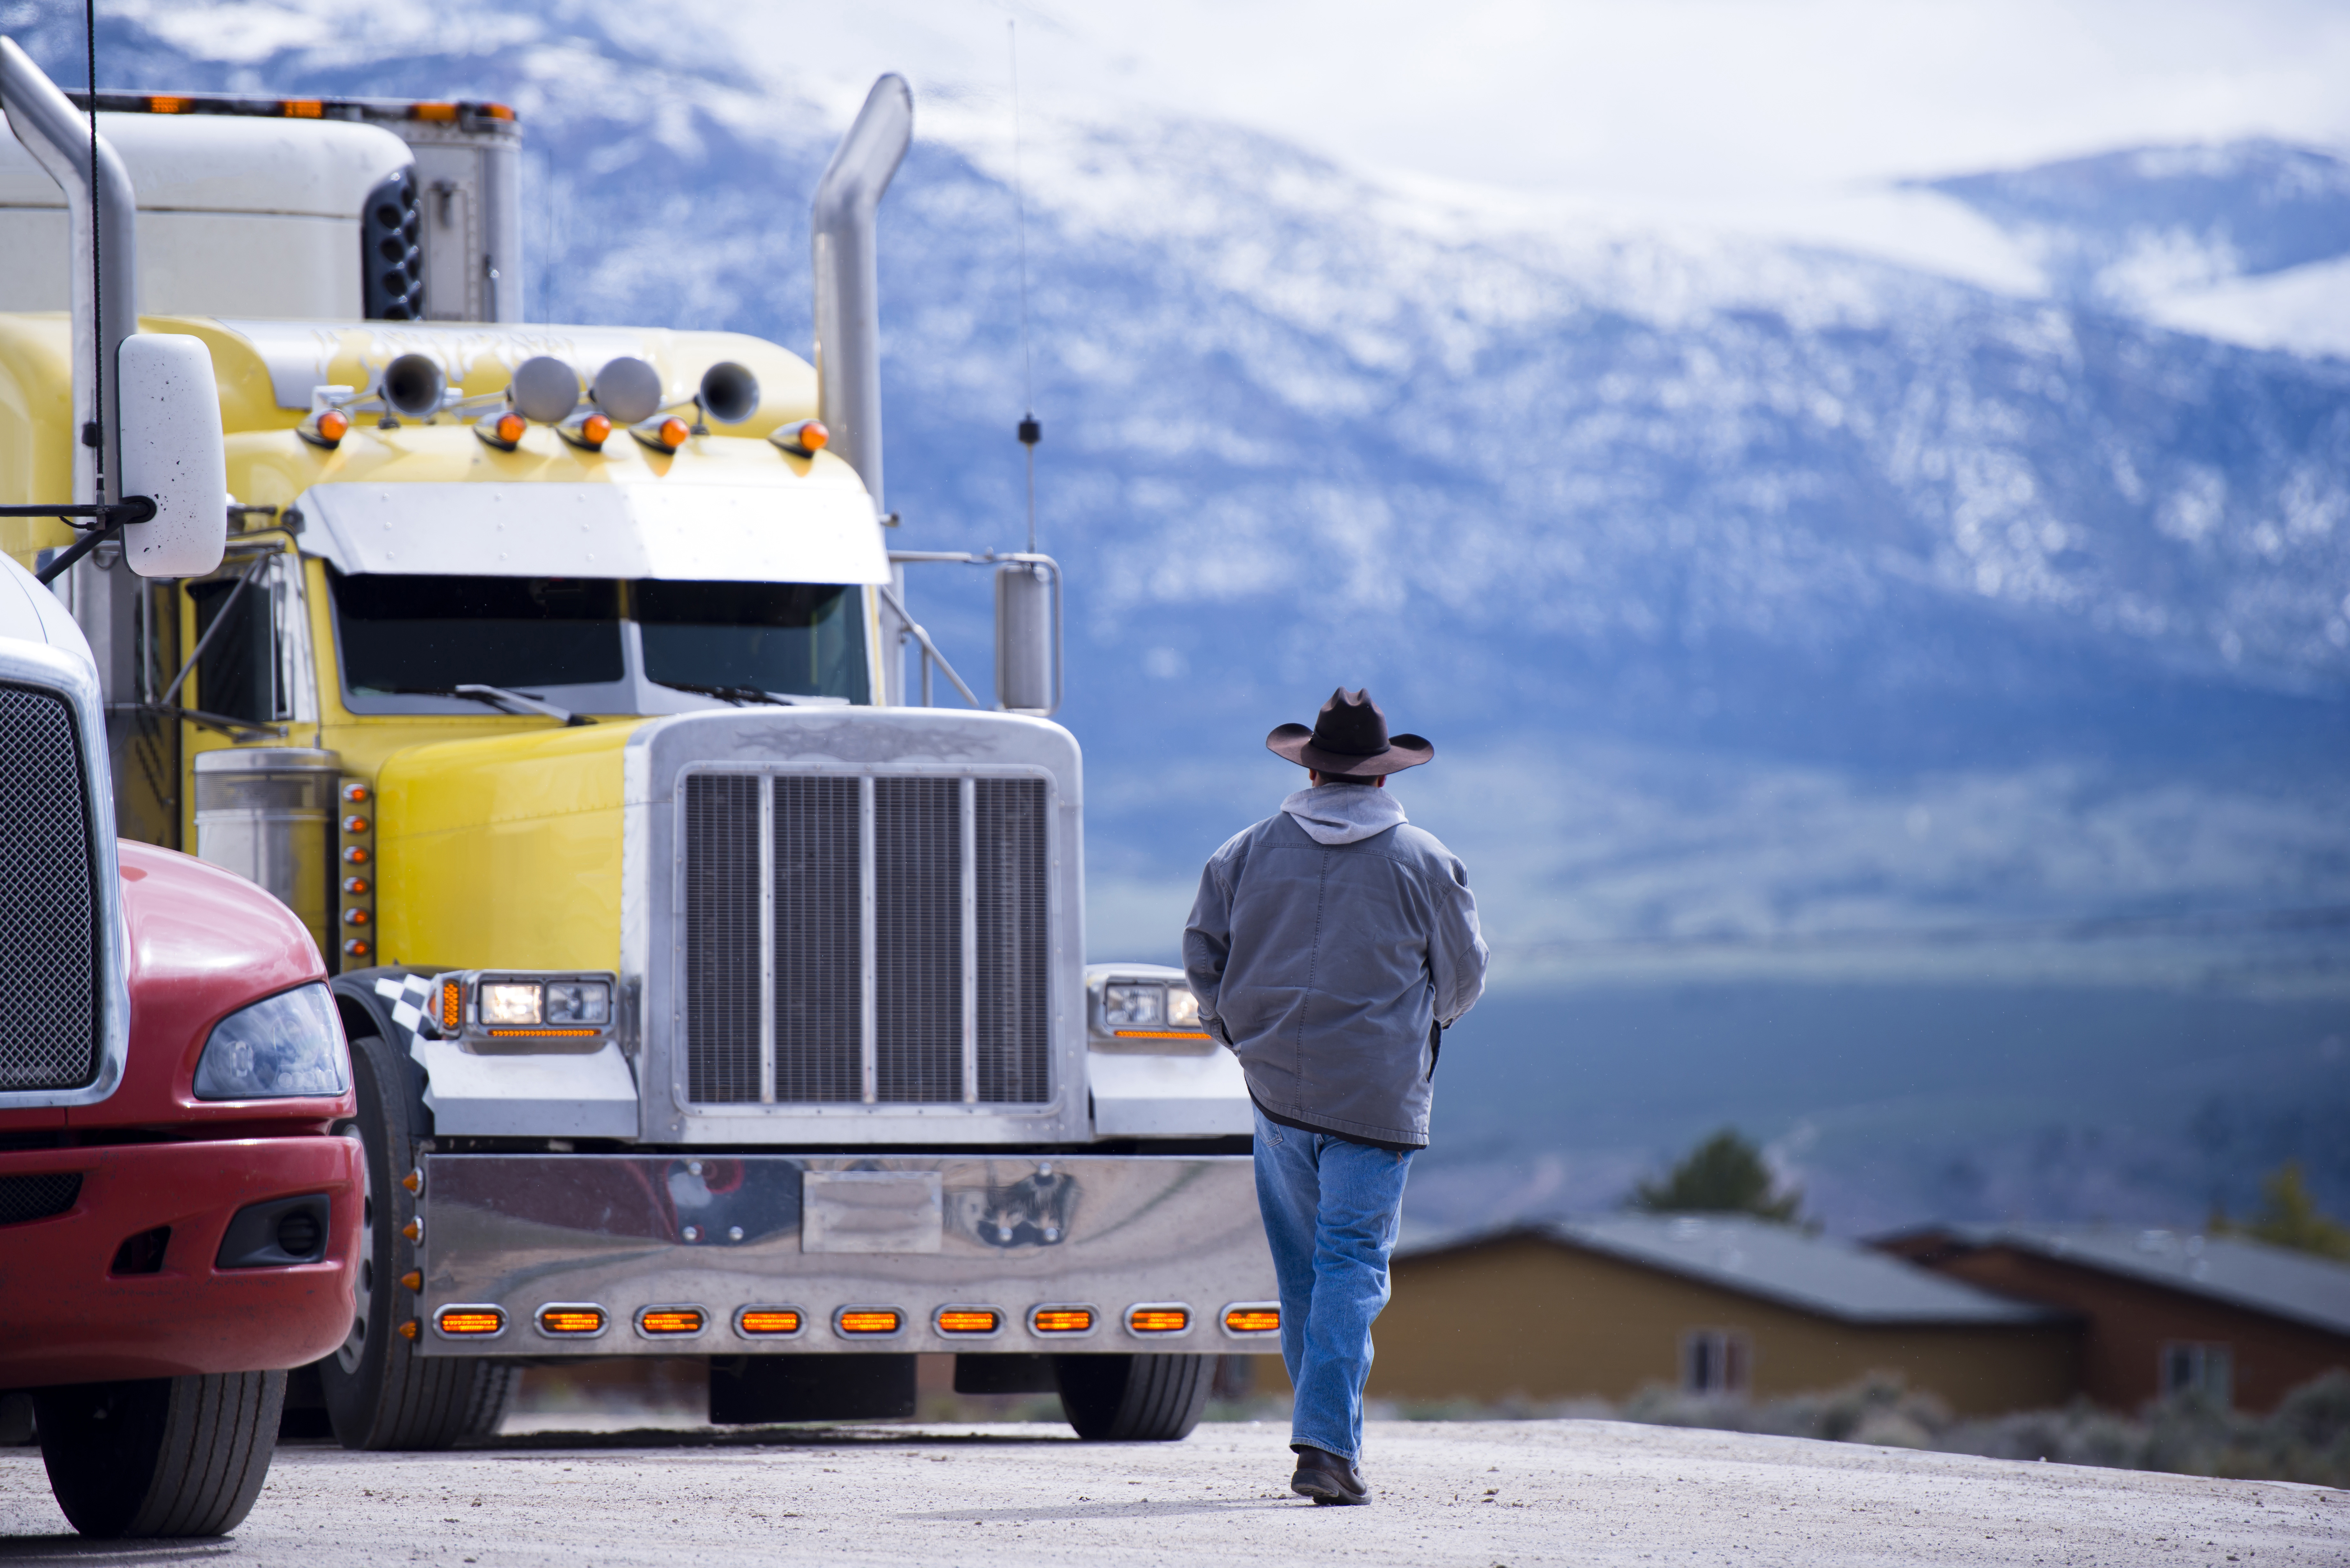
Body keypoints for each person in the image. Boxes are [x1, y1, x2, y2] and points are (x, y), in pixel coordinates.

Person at [1182, 687, 1488, 1505]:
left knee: (1302, 1277)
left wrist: (1234, 1032)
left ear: (1310, 767)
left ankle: (1327, 1441)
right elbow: (1462, 979)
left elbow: (1202, 954)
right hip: (1377, 1098)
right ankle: (1326, 1445)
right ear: (1384, 777)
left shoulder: (1243, 851)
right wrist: (1419, 1026)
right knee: (1352, 1265)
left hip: (1275, 1091)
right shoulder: (1426, 859)